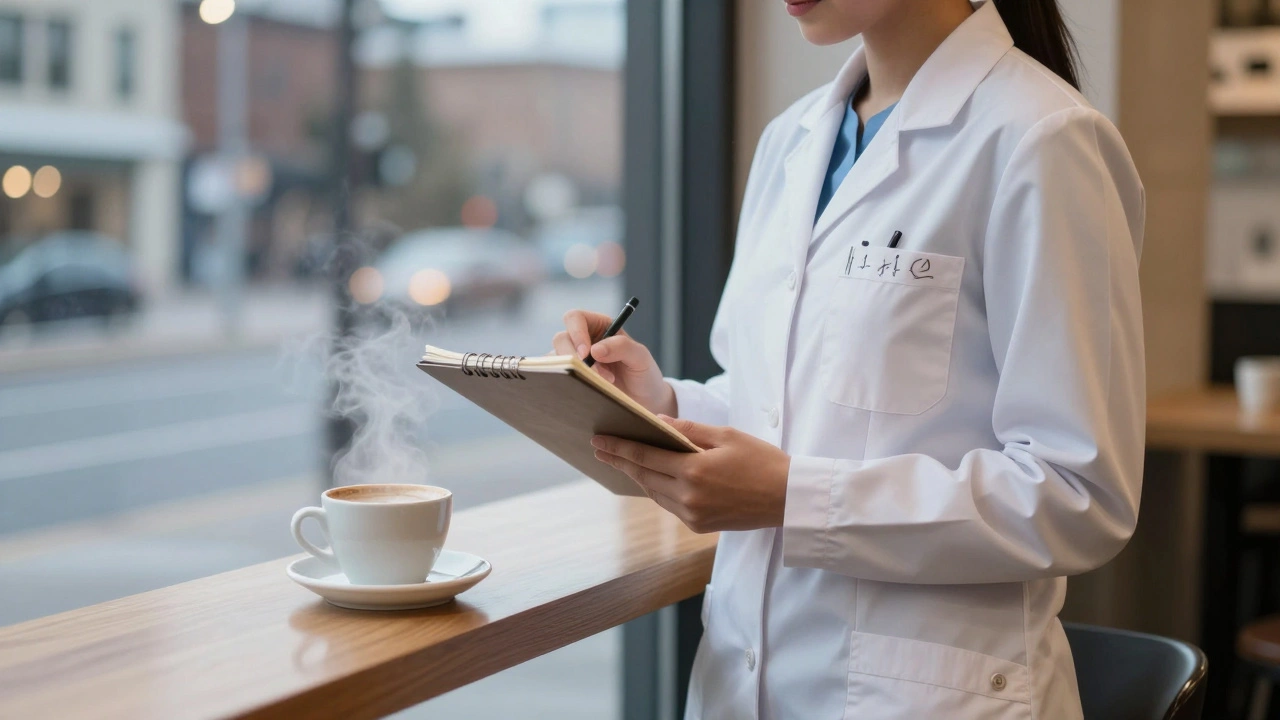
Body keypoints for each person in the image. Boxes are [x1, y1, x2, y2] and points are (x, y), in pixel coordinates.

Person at [553, 0, 1145, 716]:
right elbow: (777, 401)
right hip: (740, 685)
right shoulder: (790, 142)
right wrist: (668, 405)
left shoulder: (1042, 139)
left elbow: (1077, 495)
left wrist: (796, 499)